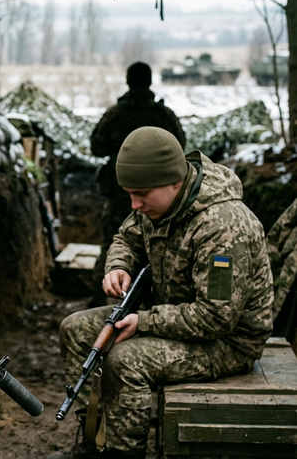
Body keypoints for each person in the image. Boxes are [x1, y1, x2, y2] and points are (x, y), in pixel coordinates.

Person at [58, 126, 273, 458]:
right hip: (171, 314)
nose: (135, 204)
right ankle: (96, 435)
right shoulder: (160, 202)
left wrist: (143, 322)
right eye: (129, 193)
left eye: (141, 194)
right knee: (74, 330)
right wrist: (118, 266)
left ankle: (122, 452)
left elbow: (216, 318)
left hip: (227, 342)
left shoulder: (223, 228)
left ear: (176, 180)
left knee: (125, 361)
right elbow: (126, 238)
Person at [89, 62, 186, 307]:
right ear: (150, 81)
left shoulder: (116, 114)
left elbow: (96, 146)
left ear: (128, 81)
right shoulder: (164, 114)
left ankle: (102, 296)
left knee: (113, 241)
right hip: (157, 195)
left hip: (119, 193)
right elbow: (179, 147)